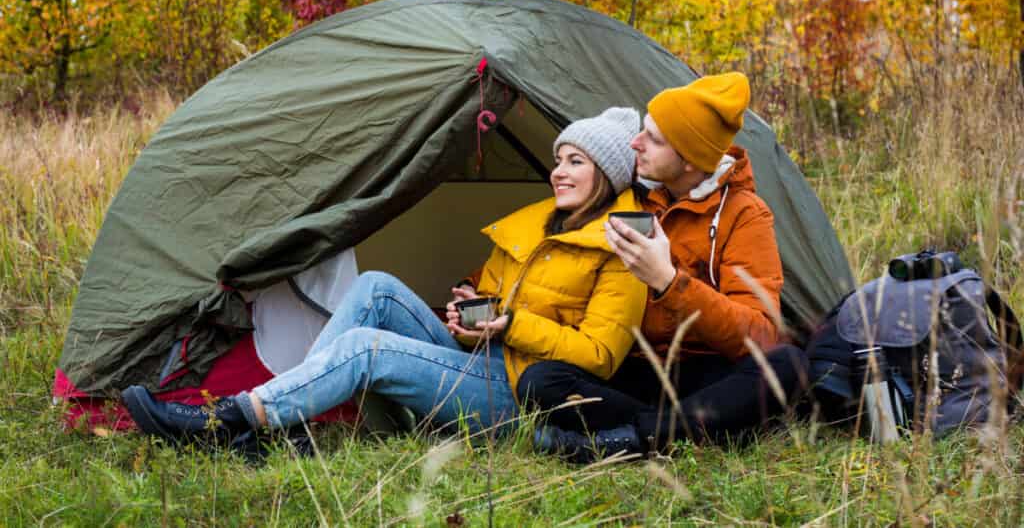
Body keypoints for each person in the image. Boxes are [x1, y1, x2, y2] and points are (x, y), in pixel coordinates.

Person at [120, 108, 649, 446]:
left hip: (518, 393)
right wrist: (475, 304)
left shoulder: (622, 248)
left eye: (575, 161)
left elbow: (600, 357)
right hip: (484, 356)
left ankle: (228, 423)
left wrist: (511, 325)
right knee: (374, 286)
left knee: (366, 348)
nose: (558, 170)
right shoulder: (538, 225)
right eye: (557, 159)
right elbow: (496, 294)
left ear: (605, 174)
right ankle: (282, 420)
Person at [517, 73, 809, 462]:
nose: (635, 143)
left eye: (653, 139)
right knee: (540, 381)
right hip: (635, 370)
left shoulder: (744, 215)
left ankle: (630, 440)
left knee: (789, 365)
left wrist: (669, 283)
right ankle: (679, 431)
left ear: (688, 157)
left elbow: (758, 333)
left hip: (707, 374)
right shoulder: (631, 198)